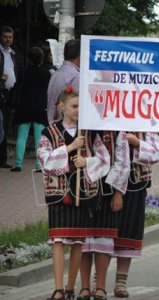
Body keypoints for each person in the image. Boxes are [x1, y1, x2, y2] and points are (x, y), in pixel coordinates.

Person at [37, 87, 111, 300]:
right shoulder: (49, 132)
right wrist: (70, 148)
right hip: (59, 194)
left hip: (82, 193)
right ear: (62, 107)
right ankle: (59, 289)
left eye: (81, 106)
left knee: (78, 240)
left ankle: (71, 287)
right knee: (58, 239)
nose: (78, 110)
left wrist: (86, 161)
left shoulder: (88, 132)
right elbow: (44, 160)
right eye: (74, 106)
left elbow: (104, 159)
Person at [78, 129, 130, 300]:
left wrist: (117, 193)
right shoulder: (80, 130)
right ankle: (84, 287)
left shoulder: (116, 131)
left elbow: (123, 163)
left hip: (107, 191)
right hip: (81, 191)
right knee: (83, 242)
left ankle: (100, 287)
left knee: (103, 240)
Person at [112, 132, 159, 297]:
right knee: (104, 234)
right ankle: (98, 281)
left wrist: (137, 143)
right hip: (109, 184)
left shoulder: (145, 124)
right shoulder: (111, 121)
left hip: (136, 185)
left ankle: (121, 282)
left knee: (129, 233)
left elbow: (156, 153)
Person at [11, 46, 51, 172]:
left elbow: (18, 88)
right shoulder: (46, 74)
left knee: (21, 136)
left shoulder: (24, 72)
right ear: (42, 59)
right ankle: (39, 165)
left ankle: (18, 164)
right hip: (40, 108)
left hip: (25, 107)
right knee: (39, 138)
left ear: (29, 59)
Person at [47, 39, 80, 124]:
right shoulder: (76, 76)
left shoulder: (56, 73)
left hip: (53, 124)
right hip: (66, 127)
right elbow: (76, 105)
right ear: (80, 55)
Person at [0, 25, 18, 169]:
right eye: (5, 37)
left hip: (9, 94)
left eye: (10, 37)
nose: (8, 39)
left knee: (5, 125)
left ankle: (2, 159)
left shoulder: (12, 54)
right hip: (1, 92)